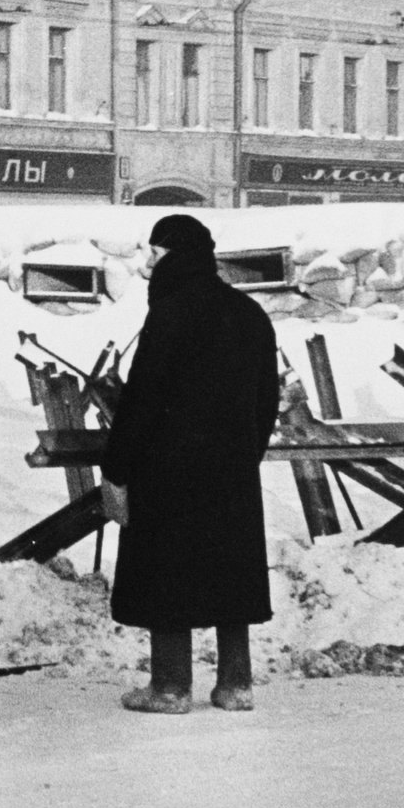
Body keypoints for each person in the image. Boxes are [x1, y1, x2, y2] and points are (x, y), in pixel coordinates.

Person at [101, 213, 279, 714]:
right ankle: (235, 685)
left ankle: (171, 686)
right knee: (230, 571)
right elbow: (267, 398)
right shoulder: (249, 313)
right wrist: (246, 452)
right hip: (231, 472)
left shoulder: (171, 312)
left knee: (168, 573)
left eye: (153, 255)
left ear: (167, 256)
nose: (149, 265)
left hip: (168, 470)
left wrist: (117, 468)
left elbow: (142, 399)